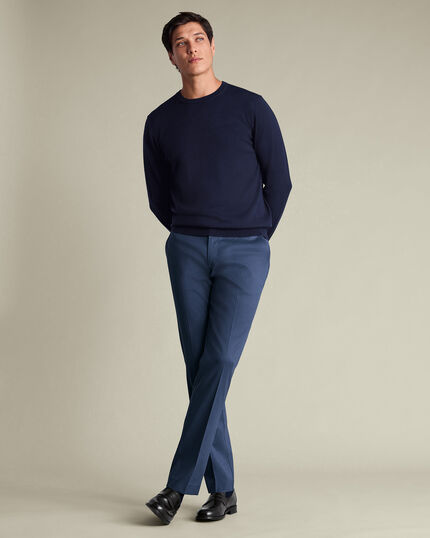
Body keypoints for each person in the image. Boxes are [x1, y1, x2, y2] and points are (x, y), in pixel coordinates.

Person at [143, 11, 292, 525]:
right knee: (201, 366)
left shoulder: (250, 107)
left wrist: (253, 235)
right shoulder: (160, 121)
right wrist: (189, 231)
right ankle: (223, 491)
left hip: (244, 250)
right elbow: (158, 195)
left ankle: (176, 487)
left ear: (211, 46)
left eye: (199, 38)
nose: (191, 48)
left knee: (220, 360)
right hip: (186, 249)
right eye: (180, 43)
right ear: (171, 57)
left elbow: (280, 180)